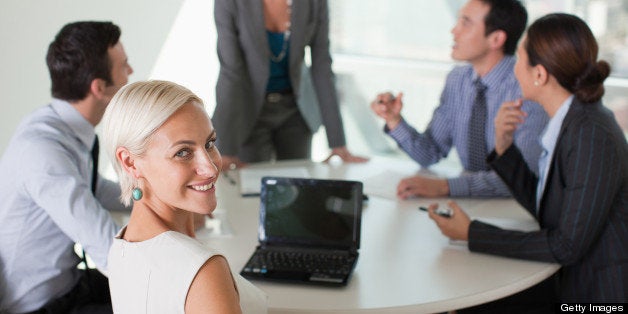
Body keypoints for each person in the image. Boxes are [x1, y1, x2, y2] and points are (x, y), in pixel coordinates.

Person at [428, 13, 628, 303]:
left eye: (520, 60)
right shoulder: (572, 120)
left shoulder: (589, 133)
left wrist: (472, 233)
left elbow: (566, 245)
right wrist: (504, 148)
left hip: (599, 300)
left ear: (539, 74)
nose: (514, 71)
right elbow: (548, 213)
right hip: (570, 282)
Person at [0, 21, 133, 313]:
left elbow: (96, 188)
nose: (131, 72)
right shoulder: (42, 151)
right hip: (43, 306)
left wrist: (156, 198)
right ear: (99, 88)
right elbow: (110, 252)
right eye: (124, 66)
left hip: (71, 284)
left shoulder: (61, 127)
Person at [102, 80, 267, 313]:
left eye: (210, 143)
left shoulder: (122, 245)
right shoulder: (203, 270)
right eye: (183, 152)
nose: (210, 168)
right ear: (130, 162)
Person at [371, 0, 548, 198]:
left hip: (517, 208)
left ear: (496, 39)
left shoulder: (526, 87)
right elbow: (430, 153)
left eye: (466, 23)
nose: (454, 31)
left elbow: (521, 177)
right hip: (470, 202)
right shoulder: (458, 80)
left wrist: (445, 187)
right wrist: (395, 121)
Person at [213, 0, 367, 170]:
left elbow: (322, 66)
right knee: (251, 185)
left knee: (296, 185)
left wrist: (337, 141)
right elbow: (232, 71)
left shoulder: (315, 3)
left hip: (296, 110)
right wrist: (225, 146)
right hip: (249, 110)